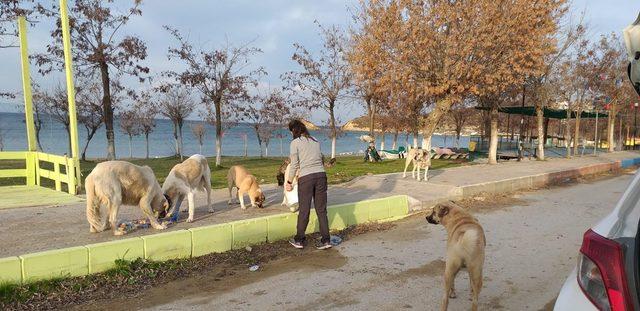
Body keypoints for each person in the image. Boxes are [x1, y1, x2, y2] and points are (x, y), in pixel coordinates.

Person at [285, 119, 331, 250]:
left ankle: (299, 240)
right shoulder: (315, 140)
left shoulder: (295, 143)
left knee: (304, 210)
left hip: (306, 178)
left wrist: (289, 181)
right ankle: (326, 240)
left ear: (293, 130)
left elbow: (294, 165)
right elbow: (320, 158)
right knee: (321, 210)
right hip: (321, 176)